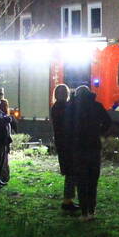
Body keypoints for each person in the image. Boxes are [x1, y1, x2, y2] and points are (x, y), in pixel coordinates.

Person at [65, 85, 111, 220]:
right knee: (92, 181)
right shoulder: (97, 106)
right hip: (94, 147)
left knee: (81, 181)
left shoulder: (72, 107)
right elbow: (108, 122)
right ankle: (92, 210)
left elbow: (67, 126)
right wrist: (99, 133)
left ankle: (84, 212)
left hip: (78, 148)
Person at [50, 84, 78, 212]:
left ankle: (68, 200)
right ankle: (67, 201)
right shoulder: (61, 107)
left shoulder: (55, 107)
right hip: (67, 143)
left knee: (69, 171)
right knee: (71, 171)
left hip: (62, 143)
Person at [0, 98, 16, 184]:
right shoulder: (4, 118)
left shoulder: (5, 117)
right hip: (4, 141)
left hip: (5, 141)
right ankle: (3, 177)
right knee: (3, 160)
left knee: (4, 159)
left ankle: (3, 177)